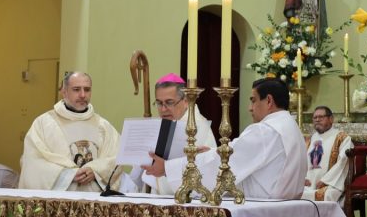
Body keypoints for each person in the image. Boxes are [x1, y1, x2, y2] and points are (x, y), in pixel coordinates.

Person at [145, 77, 306, 200]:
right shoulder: (291, 128)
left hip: (262, 208)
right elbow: (234, 154)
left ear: (269, 101)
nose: (250, 108)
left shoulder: (266, 131)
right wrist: (213, 151)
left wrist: (168, 168)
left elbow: (224, 162)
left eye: (253, 100)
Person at [18, 71, 121, 191]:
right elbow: (32, 161)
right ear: (64, 92)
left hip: (94, 198)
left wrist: (96, 171)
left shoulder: (103, 126)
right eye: (76, 89)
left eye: (87, 90)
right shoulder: (44, 124)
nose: (82, 95)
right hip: (59, 200)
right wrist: (67, 175)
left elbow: (116, 158)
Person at [124, 73, 216, 194]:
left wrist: (166, 169)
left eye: (169, 102)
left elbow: (205, 174)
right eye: (159, 103)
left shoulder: (197, 128)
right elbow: (137, 177)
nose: (163, 109)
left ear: (185, 101)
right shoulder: (159, 127)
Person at [301, 106, 352, 202]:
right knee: (292, 193)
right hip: (308, 185)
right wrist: (303, 178)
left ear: (331, 119)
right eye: (315, 117)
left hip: (331, 184)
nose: (317, 120)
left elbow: (343, 162)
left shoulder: (342, 138)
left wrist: (326, 181)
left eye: (321, 117)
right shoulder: (310, 139)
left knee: (327, 195)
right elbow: (301, 162)